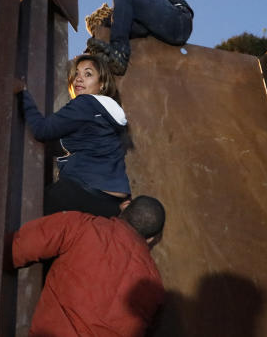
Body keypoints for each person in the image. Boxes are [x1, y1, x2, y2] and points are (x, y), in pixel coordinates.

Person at [11, 196, 167, 336]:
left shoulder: (84, 226)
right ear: (151, 239)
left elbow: (22, 246)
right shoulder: (156, 288)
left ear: (124, 209)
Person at [18, 53, 129, 217]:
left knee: (31, 208)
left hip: (83, 193)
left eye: (88, 74)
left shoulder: (85, 103)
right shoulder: (109, 116)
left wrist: (22, 93)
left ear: (102, 84)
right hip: (112, 205)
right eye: (77, 73)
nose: (78, 79)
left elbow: (41, 130)